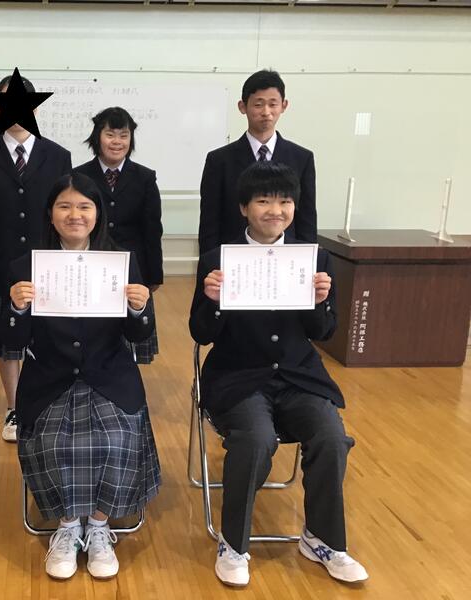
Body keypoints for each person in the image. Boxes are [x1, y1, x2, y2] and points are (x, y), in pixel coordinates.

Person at [188, 161, 368, 587]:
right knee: (255, 439)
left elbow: (322, 331)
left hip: (297, 376)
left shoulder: (313, 258)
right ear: (244, 208)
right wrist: (212, 299)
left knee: (330, 436)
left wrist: (320, 301)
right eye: (264, 201)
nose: (275, 210)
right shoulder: (219, 258)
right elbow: (201, 333)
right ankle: (233, 544)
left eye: (285, 201)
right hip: (237, 376)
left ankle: (321, 538)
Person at [3, 173, 161, 580]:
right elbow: (12, 341)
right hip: (50, 378)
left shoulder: (120, 263)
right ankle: (68, 526)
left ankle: (100, 526)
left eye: (84, 206)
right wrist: (17, 309)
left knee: (117, 436)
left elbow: (138, 335)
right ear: (50, 214)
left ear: (98, 214)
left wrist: (139, 309)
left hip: (109, 375)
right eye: (65, 206)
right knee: (55, 441)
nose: (75, 215)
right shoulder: (26, 267)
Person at [0, 73, 71, 442]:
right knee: (8, 344)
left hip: (48, 265)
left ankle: (46, 403)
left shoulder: (58, 156)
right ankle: (14, 407)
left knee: (49, 339)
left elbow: (66, 213)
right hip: (1, 267)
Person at [74, 107, 163, 364]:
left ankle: (126, 379)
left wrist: (153, 274)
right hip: (92, 265)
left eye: (124, 135)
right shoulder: (79, 176)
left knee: (133, 332)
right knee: (95, 332)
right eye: (110, 134)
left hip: (132, 268)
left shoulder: (145, 178)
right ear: (97, 137)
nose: (117, 142)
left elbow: (152, 229)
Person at [198, 69, 317, 254]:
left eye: (273, 104)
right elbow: (209, 223)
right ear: (242, 106)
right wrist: (210, 262)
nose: (266, 112)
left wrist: (308, 260)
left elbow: (306, 220)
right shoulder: (219, 160)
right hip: (235, 257)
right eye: (258, 104)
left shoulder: (302, 158)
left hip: (286, 257)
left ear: (284, 105)